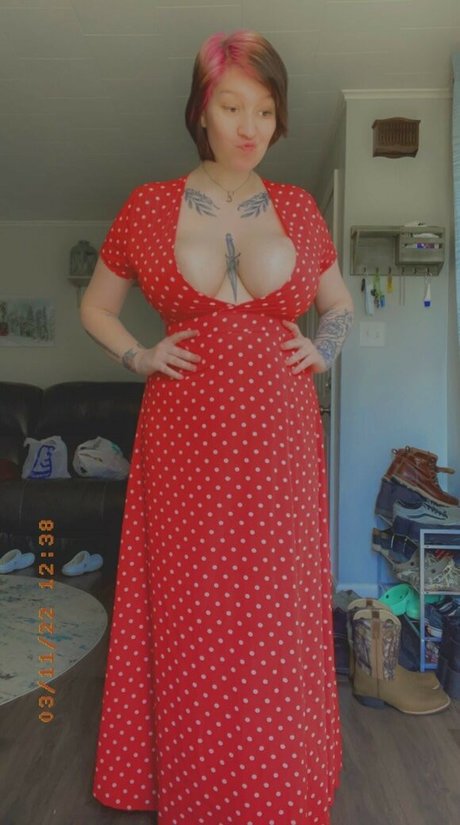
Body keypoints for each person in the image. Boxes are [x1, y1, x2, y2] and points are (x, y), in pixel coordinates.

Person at [81, 29, 353, 825]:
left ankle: (278, 785)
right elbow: (96, 307)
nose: (250, 126)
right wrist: (138, 354)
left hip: (279, 441)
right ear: (201, 110)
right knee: (190, 609)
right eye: (233, 106)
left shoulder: (299, 208)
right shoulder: (148, 205)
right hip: (184, 439)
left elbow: (337, 304)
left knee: (275, 614)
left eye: (265, 110)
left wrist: (327, 347)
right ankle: (197, 787)